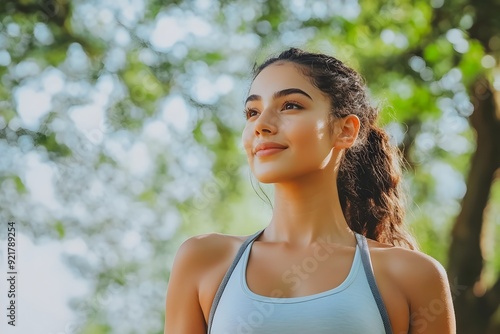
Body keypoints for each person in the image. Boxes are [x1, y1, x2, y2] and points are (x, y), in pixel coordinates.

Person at [164, 47, 456, 334]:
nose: (261, 125)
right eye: (252, 112)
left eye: (290, 105)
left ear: (345, 131)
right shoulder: (203, 260)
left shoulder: (414, 276)